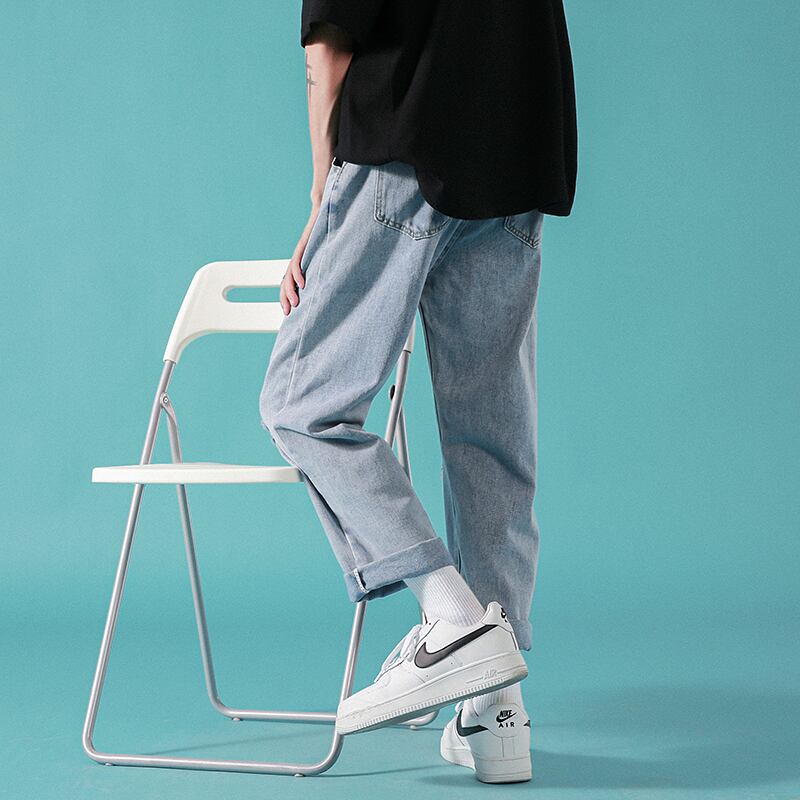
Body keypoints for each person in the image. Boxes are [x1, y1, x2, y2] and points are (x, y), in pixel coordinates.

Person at [259, 0, 577, 784]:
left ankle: (451, 615)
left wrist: (321, 197)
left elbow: (330, 44)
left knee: (303, 405)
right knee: (490, 435)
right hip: (519, 153)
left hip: (401, 151)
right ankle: (496, 710)